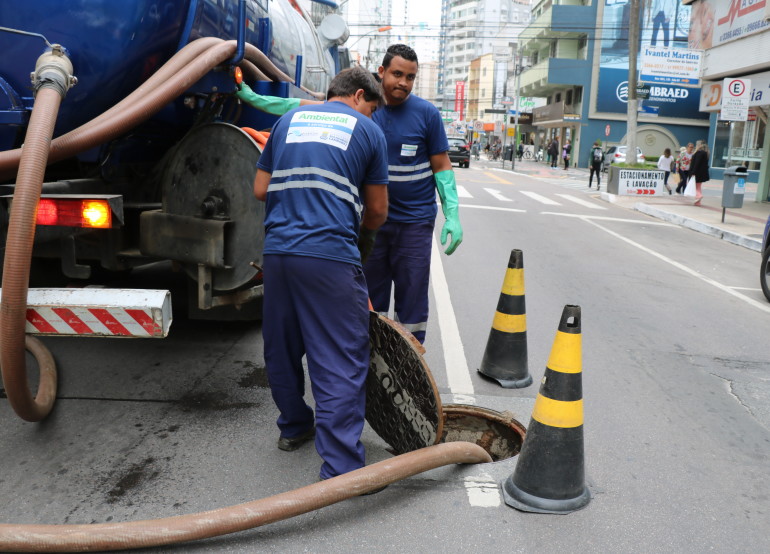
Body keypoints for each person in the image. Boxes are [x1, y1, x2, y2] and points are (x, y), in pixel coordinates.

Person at [253, 66, 389, 481]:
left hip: (278, 254)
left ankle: (294, 426)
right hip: (330, 255)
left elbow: (260, 189)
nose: (371, 116)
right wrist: (360, 234)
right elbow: (379, 211)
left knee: (282, 345)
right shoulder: (368, 132)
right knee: (340, 357)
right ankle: (342, 466)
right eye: (372, 108)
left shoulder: (287, 120)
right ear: (361, 95)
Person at [364, 43, 463, 344]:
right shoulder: (365, 109)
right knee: (369, 299)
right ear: (381, 72)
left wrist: (452, 213)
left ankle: (408, 370)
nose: (403, 83)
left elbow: (442, 164)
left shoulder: (426, 114)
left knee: (413, 302)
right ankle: (371, 364)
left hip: (414, 224)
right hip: (372, 223)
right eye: (397, 74)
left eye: (410, 77)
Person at [689, 140, 710, 206]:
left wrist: (693, 172)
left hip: (697, 172)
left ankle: (699, 195)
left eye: (696, 145)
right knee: (698, 187)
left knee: (695, 186)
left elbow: (696, 163)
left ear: (699, 145)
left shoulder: (699, 153)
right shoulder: (706, 153)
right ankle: (698, 202)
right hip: (702, 173)